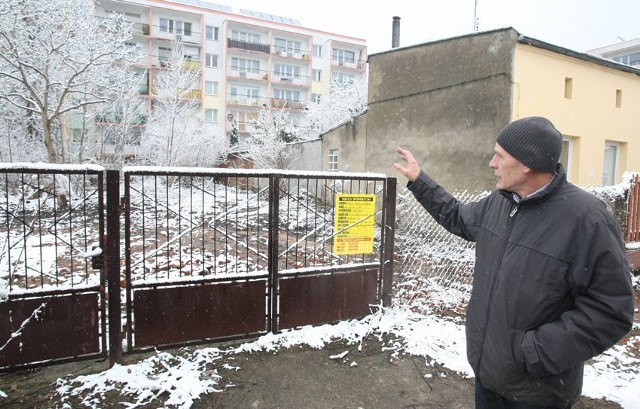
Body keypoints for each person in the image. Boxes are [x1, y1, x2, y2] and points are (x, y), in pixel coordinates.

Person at [393, 116, 634, 409]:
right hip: (488, 377)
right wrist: (420, 182)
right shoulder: (500, 203)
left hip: (538, 393)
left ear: (526, 164)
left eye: (500, 156)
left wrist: (534, 352)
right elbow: (458, 217)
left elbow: (611, 309)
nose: (492, 164)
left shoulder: (585, 218)